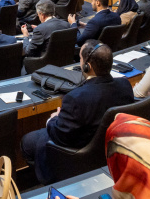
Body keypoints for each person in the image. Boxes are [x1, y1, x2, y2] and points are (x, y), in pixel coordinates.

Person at [21, 42, 134, 184]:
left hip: (79, 149)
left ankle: (49, 181)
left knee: (27, 142)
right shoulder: (125, 85)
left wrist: (53, 120)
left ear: (88, 66)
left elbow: (60, 136)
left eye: (80, 59)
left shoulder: (75, 98)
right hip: (111, 147)